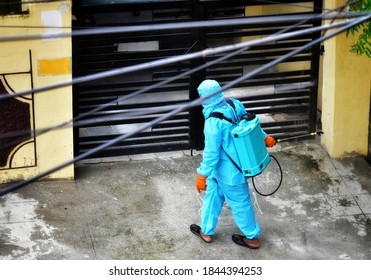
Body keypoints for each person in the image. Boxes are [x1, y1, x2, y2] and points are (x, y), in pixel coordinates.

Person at [190, 79, 276, 249]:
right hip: (227, 169)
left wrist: (202, 174)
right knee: (213, 197)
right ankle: (206, 231)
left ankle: (252, 238)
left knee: (241, 204)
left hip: (229, 172)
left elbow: (211, 154)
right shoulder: (234, 105)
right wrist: (264, 137)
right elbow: (250, 123)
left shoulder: (213, 122)